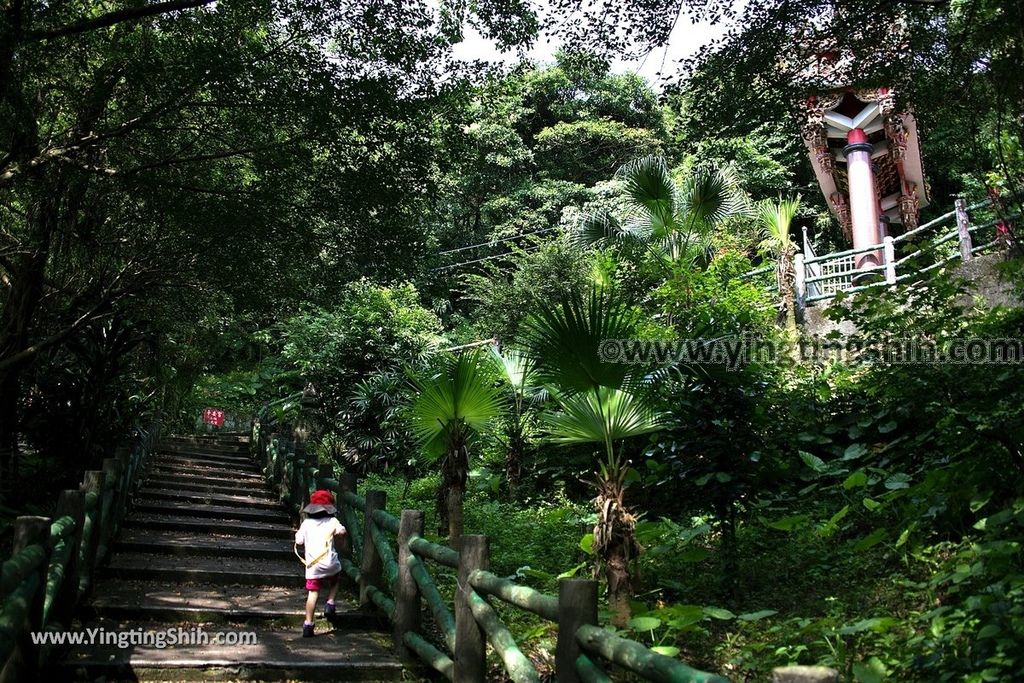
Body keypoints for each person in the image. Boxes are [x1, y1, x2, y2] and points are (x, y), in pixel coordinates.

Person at [294, 489, 347, 637]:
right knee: (335, 580)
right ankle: (330, 602)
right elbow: (342, 531)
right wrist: (339, 534)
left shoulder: (307, 523)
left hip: (313, 566)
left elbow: (298, 541)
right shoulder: (333, 521)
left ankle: (308, 625)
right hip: (330, 563)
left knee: (313, 593)